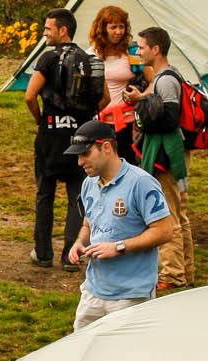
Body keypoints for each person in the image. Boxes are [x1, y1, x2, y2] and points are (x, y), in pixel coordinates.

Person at [66, 118, 176, 330]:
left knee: (125, 359)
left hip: (131, 297)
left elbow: (164, 231)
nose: (80, 162)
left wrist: (118, 248)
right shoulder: (89, 183)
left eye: (85, 153)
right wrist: (80, 241)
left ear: (106, 147)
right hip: (92, 291)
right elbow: (89, 222)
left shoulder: (141, 183)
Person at [123, 26, 195, 290]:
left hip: (167, 155)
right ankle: (186, 271)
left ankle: (173, 275)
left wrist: (141, 107)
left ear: (156, 49)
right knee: (180, 214)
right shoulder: (167, 76)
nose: (138, 51)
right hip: (173, 154)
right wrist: (143, 98)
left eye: (141, 47)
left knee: (170, 216)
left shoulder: (165, 79)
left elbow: (168, 118)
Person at [24, 8, 93, 269]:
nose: (44, 35)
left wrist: (41, 119)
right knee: (78, 196)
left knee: (45, 194)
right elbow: (105, 98)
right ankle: (70, 256)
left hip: (50, 137)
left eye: (47, 29)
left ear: (62, 30)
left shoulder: (48, 58)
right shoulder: (87, 59)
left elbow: (30, 95)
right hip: (78, 137)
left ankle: (42, 253)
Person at [89, 7, 140, 154]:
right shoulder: (91, 54)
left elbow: (152, 80)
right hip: (100, 121)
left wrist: (140, 96)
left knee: (128, 164)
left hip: (128, 122)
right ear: (102, 29)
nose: (118, 32)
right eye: (113, 27)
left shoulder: (132, 52)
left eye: (121, 27)